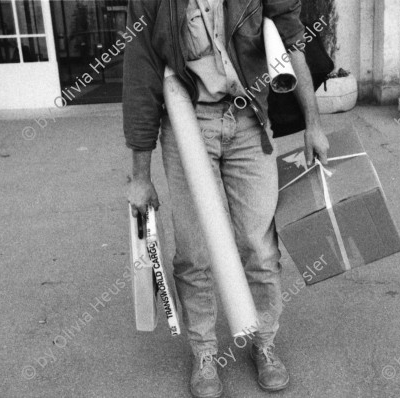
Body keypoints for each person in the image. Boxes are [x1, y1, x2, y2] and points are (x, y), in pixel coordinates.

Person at [123, 1, 328, 397]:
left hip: (249, 118)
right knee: (195, 251)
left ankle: (264, 342)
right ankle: (204, 353)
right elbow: (141, 76)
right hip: (187, 121)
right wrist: (140, 176)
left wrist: (314, 125)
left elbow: (292, 42)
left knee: (259, 245)